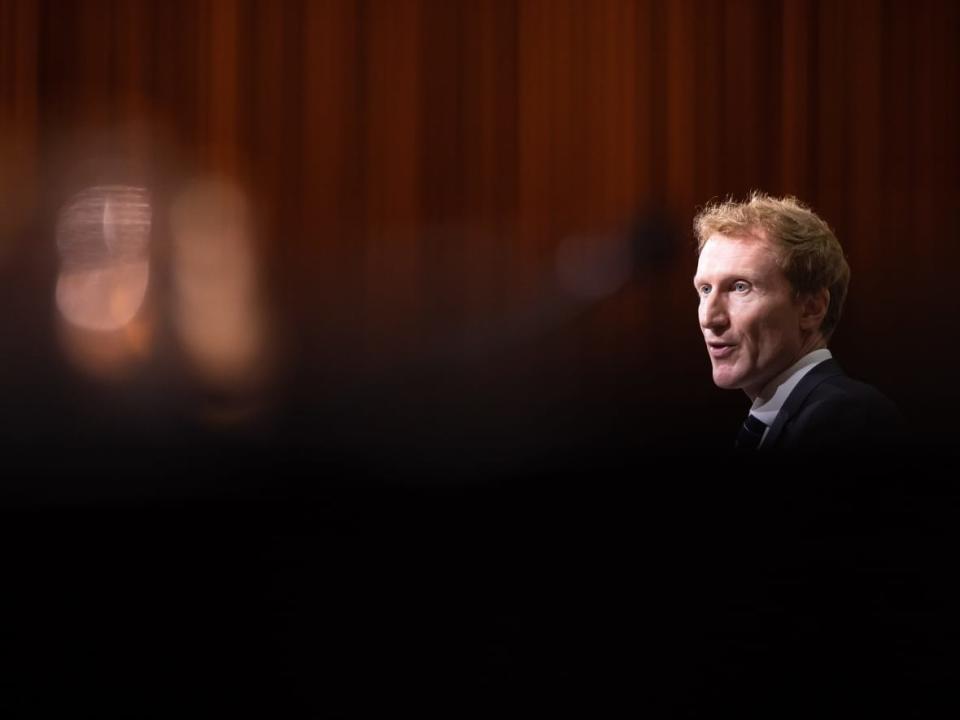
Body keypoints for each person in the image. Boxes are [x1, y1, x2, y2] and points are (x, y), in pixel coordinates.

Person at [692, 192, 901, 450]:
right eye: (704, 289)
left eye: (739, 287)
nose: (710, 318)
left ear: (811, 309)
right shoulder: (787, 418)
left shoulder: (845, 419)